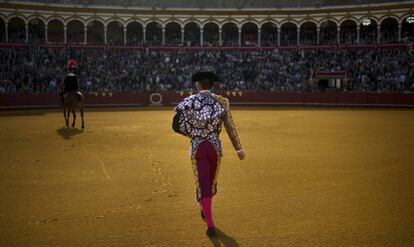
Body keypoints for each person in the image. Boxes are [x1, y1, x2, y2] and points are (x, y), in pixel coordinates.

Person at [172, 71, 246, 237]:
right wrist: (238, 149)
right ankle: (205, 208)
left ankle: (210, 224)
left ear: (197, 85)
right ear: (212, 85)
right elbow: (230, 126)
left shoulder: (188, 102)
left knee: (202, 183)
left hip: (198, 147)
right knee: (211, 183)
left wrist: (192, 133)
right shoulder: (222, 102)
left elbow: (176, 125)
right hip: (215, 148)